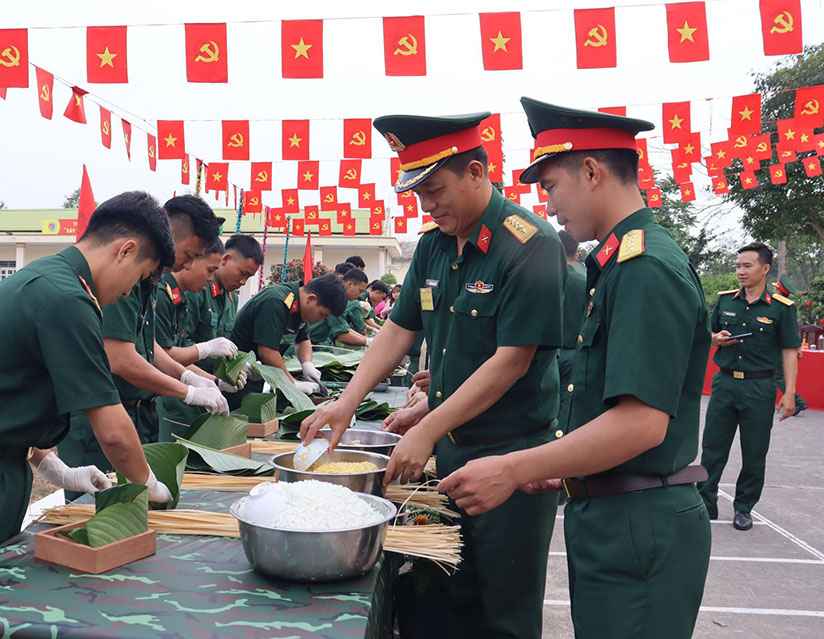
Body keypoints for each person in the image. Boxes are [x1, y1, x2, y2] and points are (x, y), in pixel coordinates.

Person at [435, 98, 712, 639]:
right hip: (612, 511)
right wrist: (561, 467)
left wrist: (512, 467)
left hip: (638, 520)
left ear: (590, 171)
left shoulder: (644, 267)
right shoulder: (613, 264)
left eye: (551, 185)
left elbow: (641, 424)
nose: (549, 205)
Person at [301, 111, 566, 639]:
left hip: (511, 456)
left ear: (475, 172)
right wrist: (346, 401)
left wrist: (427, 429)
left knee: (504, 611)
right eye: (419, 194)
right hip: (452, 451)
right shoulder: (433, 245)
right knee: (454, 601)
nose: (428, 205)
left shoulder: (529, 244)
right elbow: (398, 330)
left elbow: (511, 361)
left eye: (435, 190)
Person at [0, 191, 177, 597]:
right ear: (126, 250)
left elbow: (5, 396)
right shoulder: (67, 298)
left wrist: (55, 469)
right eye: (139, 277)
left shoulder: (45, 280)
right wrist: (148, 483)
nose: (130, 293)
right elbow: (113, 431)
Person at [59, 195, 228, 501]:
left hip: (139, 414)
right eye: (189, 254)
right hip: (104, 419)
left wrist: (187, 375)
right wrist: (187, 392)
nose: (189, 265)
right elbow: (120, 358)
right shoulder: (124, 274)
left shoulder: (150, 278)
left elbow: (145, 343)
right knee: (101, 513)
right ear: (169, 235)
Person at [698, 242, 800, 531]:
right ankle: (705, 502)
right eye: (738, 266)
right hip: (725, 383)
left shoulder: (781, 308)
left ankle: (744, 507)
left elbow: (789, 351)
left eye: (747, 266)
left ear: (765, 269)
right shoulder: (725, 301)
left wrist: (789, 392)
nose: (740, 271)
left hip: (760, 387)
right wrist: (716, 340)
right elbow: (707, 335)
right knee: (712, 448)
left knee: (754, 452)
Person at [155, 239, 245, 439]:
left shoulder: (180, 297)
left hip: (180, 391)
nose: (211, 278)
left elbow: (175, 355)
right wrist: (205, 350)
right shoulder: (162, 294)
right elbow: (159, 355)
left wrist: (214, 381)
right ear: (192, 259)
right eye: (210, 270)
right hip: (168, 400)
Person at [229, 274, 346, 394]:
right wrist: (293, 384)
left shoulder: (301, 307)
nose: (321, 320)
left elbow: (303, 340)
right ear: (311, 299)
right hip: (235, 374)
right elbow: (267, 352)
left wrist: (307, 364)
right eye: (322, 314)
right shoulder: (275, 302)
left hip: (256, 377)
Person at [186, 234, 263, 350]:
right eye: (242, 273)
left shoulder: (232, 299)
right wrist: (206, 351)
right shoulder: (198, 288)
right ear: (226, 260)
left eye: (248, 277)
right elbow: (182, 341)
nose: (243, 282)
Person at [557, 230, 587, 428]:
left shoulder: (537, 278)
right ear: (576, 256)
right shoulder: (585, 283)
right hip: (572, 355)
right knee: (564, 411)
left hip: (540, 355)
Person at [772, 274, 808, 416]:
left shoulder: (784, 307)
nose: (773, 290)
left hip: (780, 348)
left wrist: (796, 347)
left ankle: (798, 401)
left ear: (779, 290)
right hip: (777, 347)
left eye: (775, 288)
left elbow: (790, 331)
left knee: (777, 376)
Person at [309, 270, 371, 348]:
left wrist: (367, 340)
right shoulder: (335, 298)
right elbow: (343, 335)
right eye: (360, 291)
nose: (360, 295)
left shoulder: (340, 298)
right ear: (349, 284)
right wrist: (369, 342)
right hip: (309, 344)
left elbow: (344, 328)